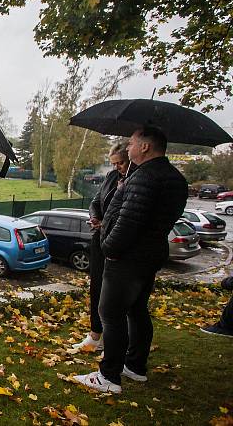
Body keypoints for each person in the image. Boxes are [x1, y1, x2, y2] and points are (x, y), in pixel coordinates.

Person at [75, 126, 187, 394]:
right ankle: (135, 366)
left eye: (132, 143)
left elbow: (128, 222)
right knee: (136, 311)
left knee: (110, 314)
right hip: (149, 256)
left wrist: (108, 248)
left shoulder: (145, 178)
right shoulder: (174, 178)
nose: (128, 148)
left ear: (146, 146)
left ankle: (109, 376)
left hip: (126, 258)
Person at [73, 141, 132, 352]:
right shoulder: (111, 177)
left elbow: (128, 215)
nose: (117, 167)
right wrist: (95, 217)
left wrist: (106, 222)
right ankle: (95, 334)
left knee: (115, 296)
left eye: (121, 163)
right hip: (100, 239)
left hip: (119, 243)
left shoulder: (136, 181)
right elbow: (95, 202)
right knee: (96, 288)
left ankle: (113, 340)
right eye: (114, 163)